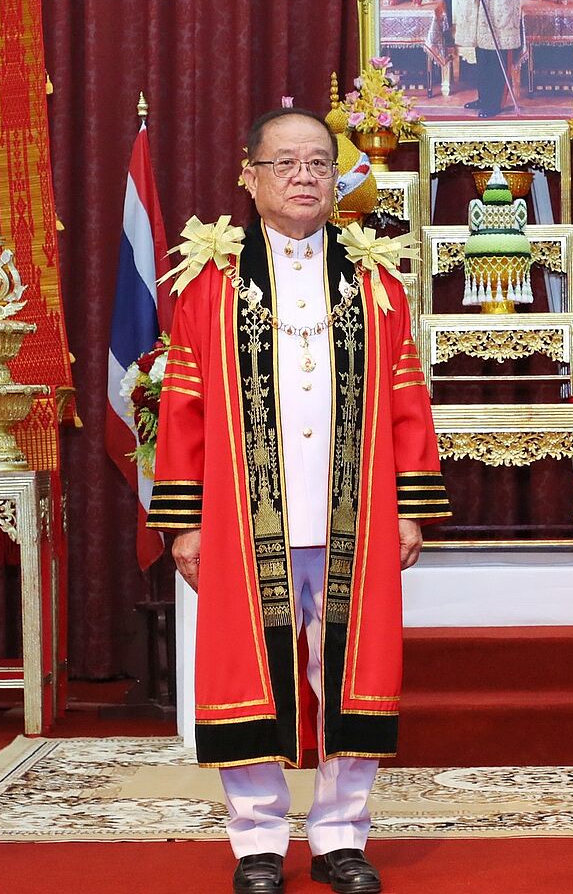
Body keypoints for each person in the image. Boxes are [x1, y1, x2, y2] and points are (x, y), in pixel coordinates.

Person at [150, 107, 450, 894]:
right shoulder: (209, 286)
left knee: (353, 672)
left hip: (355, 516)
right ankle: (256, 842)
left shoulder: (374, 282)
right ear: (248, 179)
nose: (305, 176)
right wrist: (182, 520)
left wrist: (410, 506)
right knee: (248, 670)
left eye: (318, 162)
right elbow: (182, 409)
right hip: (246, 520)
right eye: (285, 163)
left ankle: (341, 834)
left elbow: (408, 401)